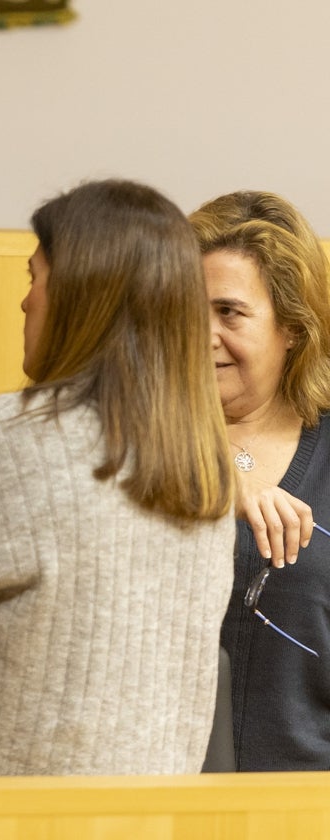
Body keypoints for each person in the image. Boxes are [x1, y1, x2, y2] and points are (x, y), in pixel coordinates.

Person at [0, 179, 238, 776]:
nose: (25, 302)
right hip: (146, 822)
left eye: (35, 277)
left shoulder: (11, 440)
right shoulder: (206, 474)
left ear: (83, 297)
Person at [190, 190, 330, 770]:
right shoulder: (119, 449)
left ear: (293, 328)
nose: (203, 334)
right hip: (148, 808)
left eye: (229, 312)